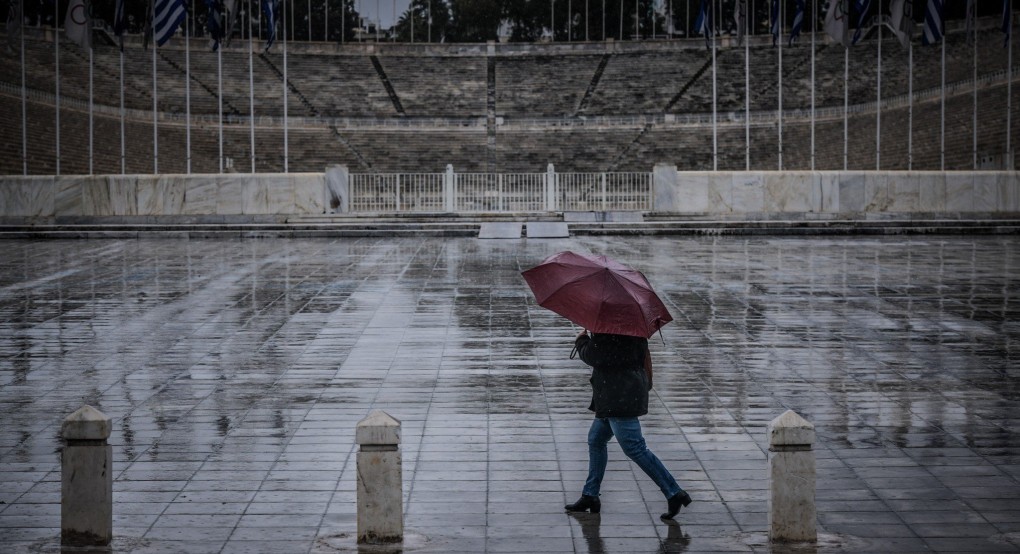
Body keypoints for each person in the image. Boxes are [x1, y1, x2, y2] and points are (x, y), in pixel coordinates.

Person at [564, 329, 692, 520]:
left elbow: (594, 356)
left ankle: (674, 493)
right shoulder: (632, 327)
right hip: (618, 393)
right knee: (596, 440)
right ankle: (590, 495)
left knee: (635, 448)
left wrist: (581, 341)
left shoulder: (610, 331)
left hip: (619, 397)